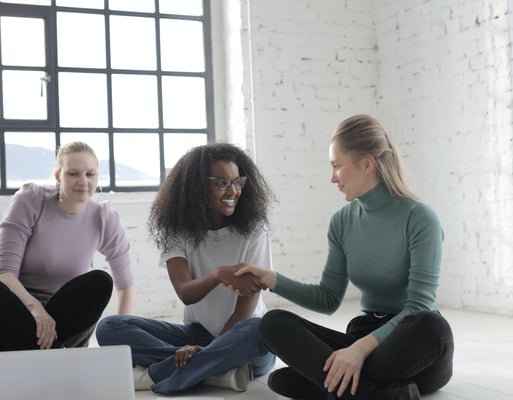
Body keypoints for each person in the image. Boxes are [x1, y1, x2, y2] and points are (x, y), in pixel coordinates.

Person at [233, 114, 454, 400]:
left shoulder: (420, 217)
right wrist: (272, 280)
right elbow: (327, 298)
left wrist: (359, 350)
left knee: (430, 325)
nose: (332, 177)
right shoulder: (342, 221)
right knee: (273, 322)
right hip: (365, 333)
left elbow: (420, 304)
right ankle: (378, 394)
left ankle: (344, 387)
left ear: (367, 163)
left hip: (414, 344)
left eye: (337, 166)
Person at [0, 141, 135, 395]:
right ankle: (50, 361)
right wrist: (35, 309)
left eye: (90, 174)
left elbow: (125, 284)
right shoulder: (31, 199)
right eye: (73, 173)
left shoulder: (103, 216)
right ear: (58, 176)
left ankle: (28, 361)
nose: (83, 181)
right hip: (20, 308)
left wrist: (118, 338)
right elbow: (4, 272)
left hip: (62, 319)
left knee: (100, 281)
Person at [95, 142, 276, 394]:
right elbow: (185, 292)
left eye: (238, 182)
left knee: (260, 329)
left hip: (240, 339)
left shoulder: (255, 230)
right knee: (110, 327)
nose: (233, 191)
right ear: (198, 187)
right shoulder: (177, 230)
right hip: (197, 334)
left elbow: (245, 311)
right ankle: (212, 372)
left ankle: (161, 372)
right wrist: (218, 275)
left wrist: (209, 350)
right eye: (221, 183)